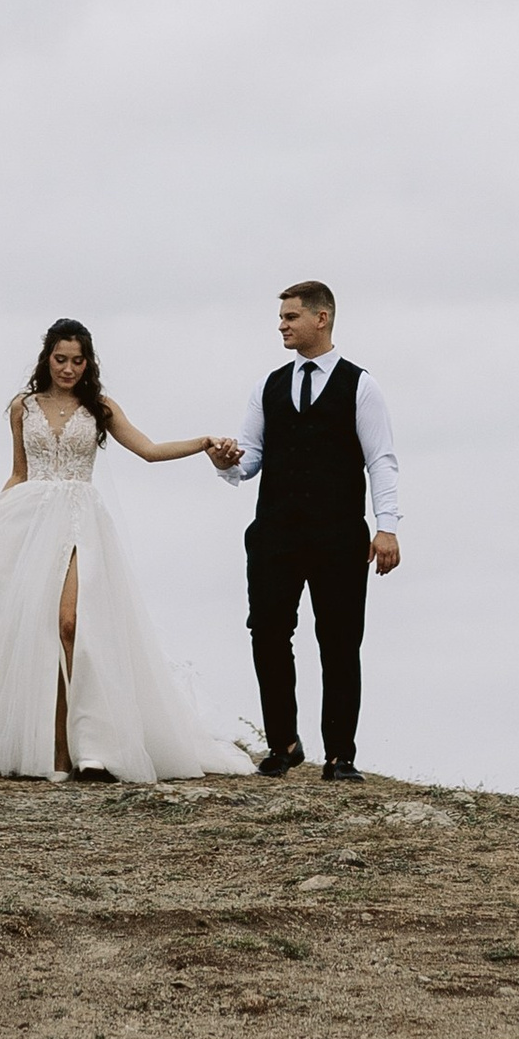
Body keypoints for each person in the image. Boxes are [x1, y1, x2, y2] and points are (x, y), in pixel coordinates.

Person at [0, 322, 249, 784]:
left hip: (80, 521)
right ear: (47, 358)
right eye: (61, 359)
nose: (69, 368)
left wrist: (202, 443)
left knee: (69, 625)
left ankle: (87, 744)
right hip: (31, 520)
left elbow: (149, 451)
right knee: (36, 634)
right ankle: (53, 747)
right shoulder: (23, 407)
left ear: (88, 362)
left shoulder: (100, 408)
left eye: (78, 360)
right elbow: (19, 473)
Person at [214, 281, 400, 783]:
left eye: (291, 316)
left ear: (322, 319)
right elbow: (249, 461)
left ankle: (340, 756)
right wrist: (225, 463)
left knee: (339, 640)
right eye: (281, 317)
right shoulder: (267, 386)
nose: (282, 325)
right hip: (274, 533)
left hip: (340, 535)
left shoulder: (361, 385)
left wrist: (387, 527)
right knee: (268, 633)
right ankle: (284, 744)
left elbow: (380, 460)